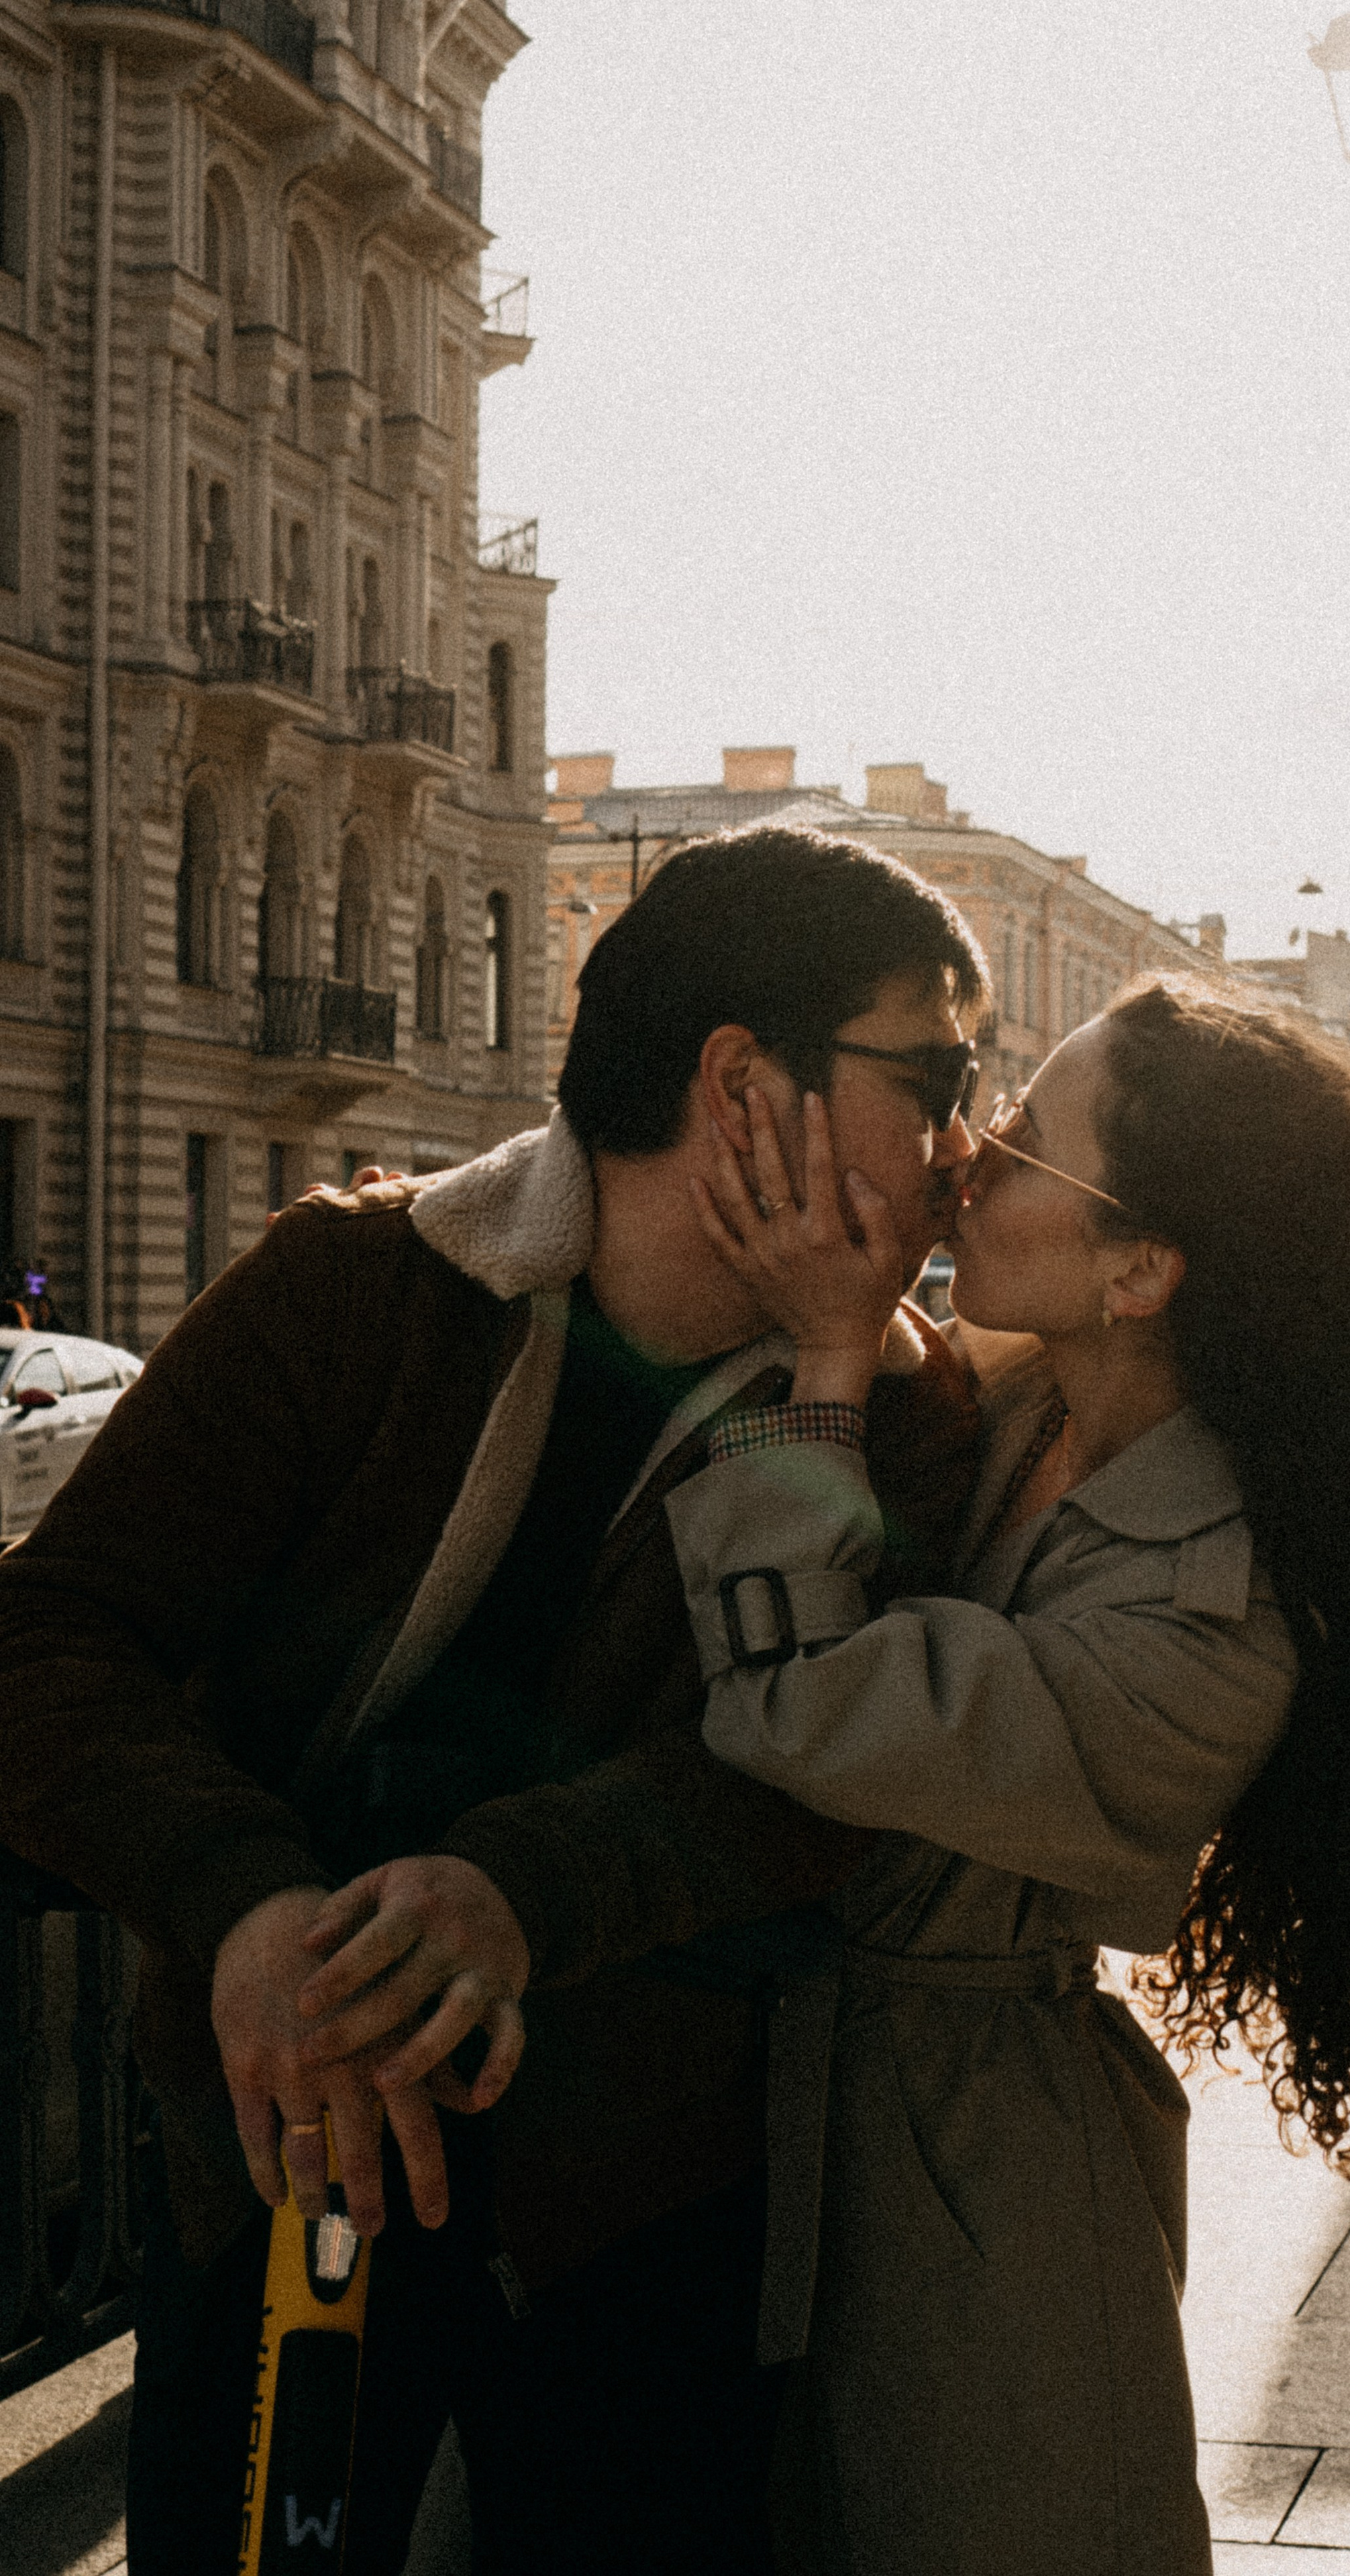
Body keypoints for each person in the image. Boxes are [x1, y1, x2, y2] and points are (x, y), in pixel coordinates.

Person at [0, 825, 989, 2576]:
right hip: (285, 2169)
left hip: (642, 2217)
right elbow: (54, 1638)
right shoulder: (361, 1290)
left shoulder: (897, 1408)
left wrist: (516, 1892)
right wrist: (242, 1910)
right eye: (934, 1074)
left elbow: (809, 1777)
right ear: (742, 1084)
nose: (962, 1146)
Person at [662, 976, 1350, 2576]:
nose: (968, 1152)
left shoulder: (1222, 1615)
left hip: (978, 2191)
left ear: (1138, 1266)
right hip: (763, 2122)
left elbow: (801, 1703)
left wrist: (833, 1359)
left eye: (1029, 1138)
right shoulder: (1018, 1392)